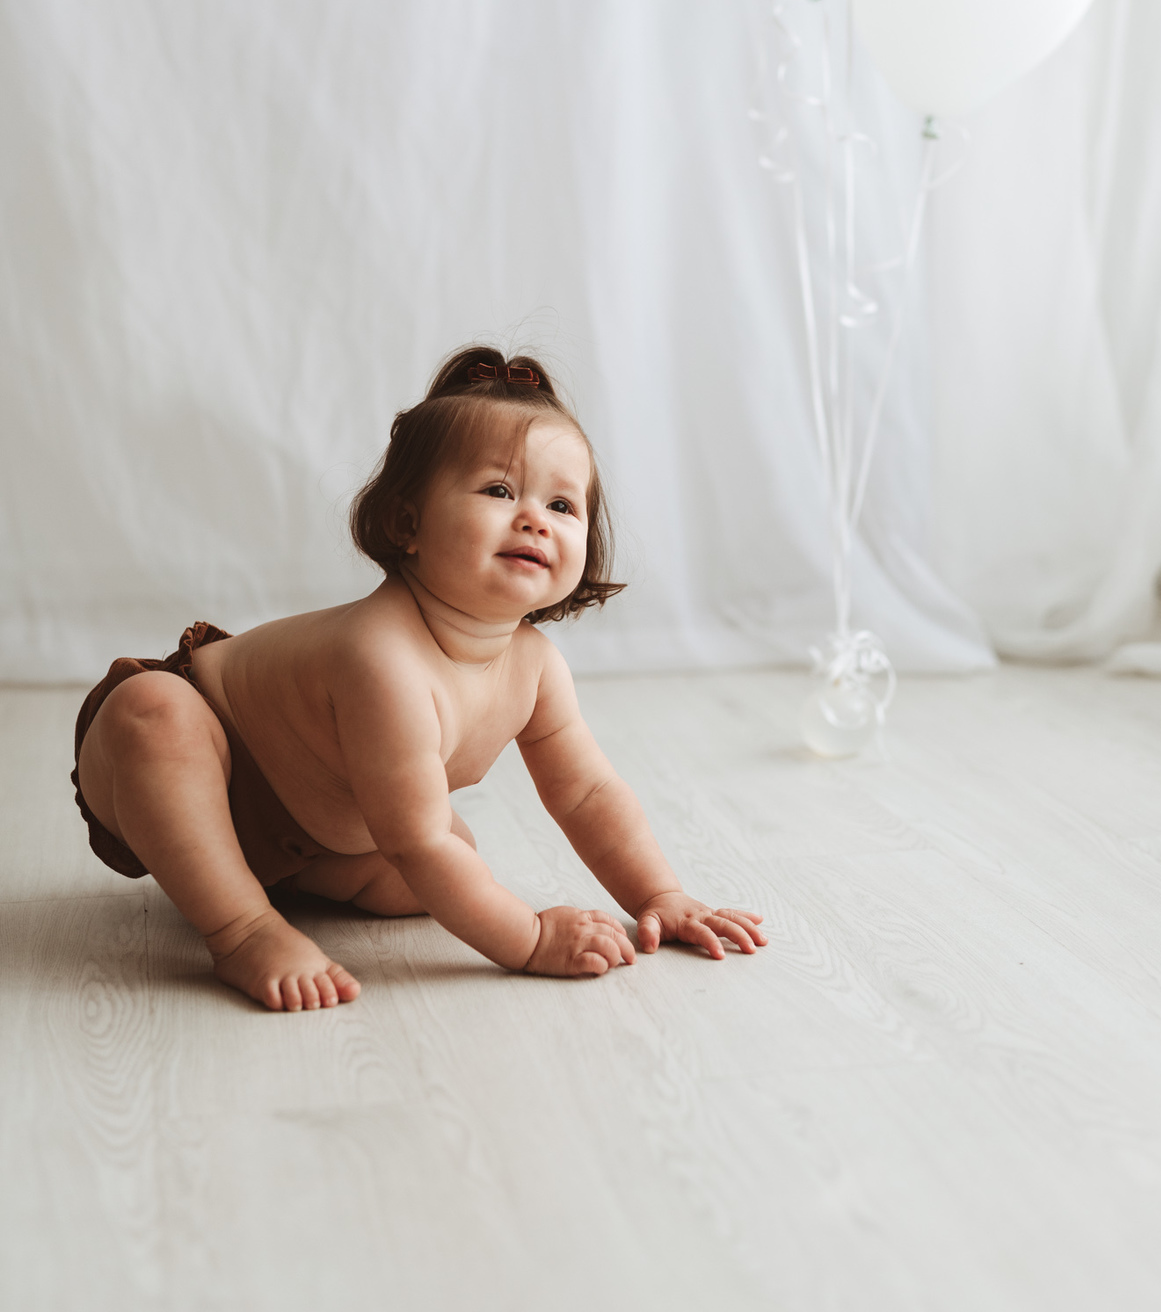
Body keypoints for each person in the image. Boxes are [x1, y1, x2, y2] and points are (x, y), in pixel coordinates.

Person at [71, 347, 767, 1011]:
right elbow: (415, 839)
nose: (535, 519)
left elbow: (587, 793)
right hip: (194, 750)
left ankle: (268, 875)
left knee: (443, 866)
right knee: (156, 715)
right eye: (499, 490)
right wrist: (528, 938)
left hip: (310, 833)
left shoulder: (537, 668)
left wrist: (658, 896)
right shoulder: (382, 656)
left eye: (563, 506)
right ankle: (243, 929)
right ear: (407, 521)